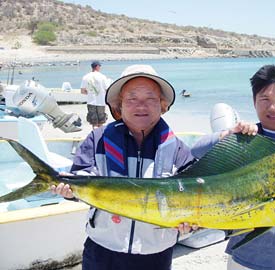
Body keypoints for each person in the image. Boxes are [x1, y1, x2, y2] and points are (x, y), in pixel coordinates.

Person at [52, 64, 197, 270]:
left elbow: (193, 198)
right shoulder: (98, 139)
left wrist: (189, 225)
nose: (141, 106)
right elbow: (82, 177)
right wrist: (69, 189)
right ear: (119, 105)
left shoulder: (178, 150)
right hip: (102, 249)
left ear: (162, 105)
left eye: (150, 98)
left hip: (155, 254)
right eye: (132, 98)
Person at [192, 65, 275, 270]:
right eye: (265, 100)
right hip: (245, 257)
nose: (273, 108)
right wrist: (229, 135)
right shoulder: (246, 142)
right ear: (254, 102)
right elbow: (196, 151)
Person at [81, 61, 110, 129]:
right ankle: (100, 135)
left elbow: (82, 91)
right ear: (97, 66)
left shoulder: (86, 77)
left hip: (91, 101)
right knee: (101, 121)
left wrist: (90, 93)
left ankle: (95, 134)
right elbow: (107, 89)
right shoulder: (102, 77)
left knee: (93, 122)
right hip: (101, 102)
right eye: (99, 66)